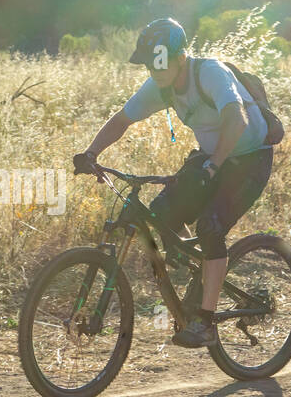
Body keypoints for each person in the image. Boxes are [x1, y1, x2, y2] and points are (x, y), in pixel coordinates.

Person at [73, 17, 273, 347]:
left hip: (250, 156)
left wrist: (213, 165)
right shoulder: (161, 84)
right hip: (212, 157)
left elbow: (237, 119)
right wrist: (91, 153)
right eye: (152, 66)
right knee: (161, 211)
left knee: (210, 226)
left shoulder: (209, 72)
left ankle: (206, 323)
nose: (156, 73)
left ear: (181, 56)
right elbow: (123, 119)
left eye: (161, 64)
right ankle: (200, 268)